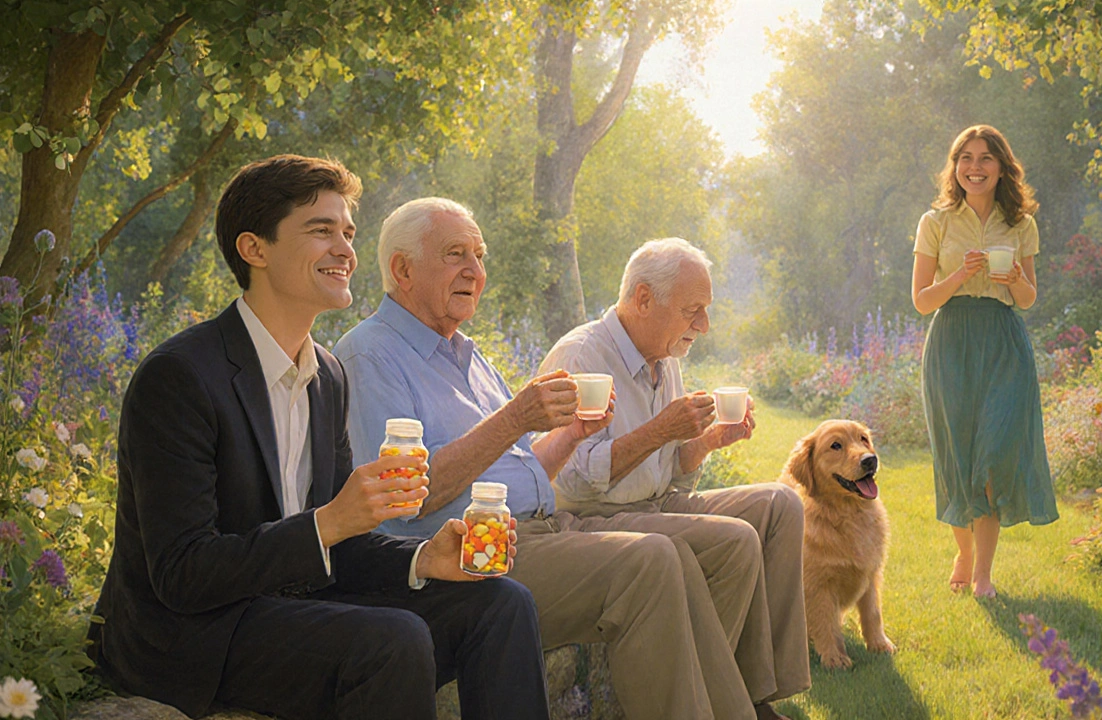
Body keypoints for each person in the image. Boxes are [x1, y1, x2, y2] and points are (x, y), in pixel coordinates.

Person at [90, 156, 550, 720]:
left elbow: (344, 544)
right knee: (393, 641)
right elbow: (183, 574)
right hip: (194, 632)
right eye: (320, 230)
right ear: (254, 249)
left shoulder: (326, 374)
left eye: (348, 233)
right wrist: (331, 522)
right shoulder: (181, 377)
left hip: (296, 605)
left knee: (500, 603)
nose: (345, 251)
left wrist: (424, 558)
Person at [335, 198, 765, 720]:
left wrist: (573, 433)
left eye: (479, 254)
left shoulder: (467, 356)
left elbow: (521, 470)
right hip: (470, 553)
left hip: (539, 529)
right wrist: (515, 418)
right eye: (455, 254)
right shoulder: (369, 355)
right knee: (649, 561)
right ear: (403, 269)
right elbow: (403, 501)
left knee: (671, 555)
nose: (476, 270)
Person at [539, 238, 810, 720]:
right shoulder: (581, 357)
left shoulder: (666, 358)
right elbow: (575, 483)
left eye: (704, 311)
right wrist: (660, 430)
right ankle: (718, 702)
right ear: (643, 299)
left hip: (653, 504)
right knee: (733, 541)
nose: (702, 326)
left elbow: (667, 474)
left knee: (778, 506)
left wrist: (706, 442)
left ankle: (754, 693)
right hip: (590, 518)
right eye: (692, 311)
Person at [910, 124, 1059, 599]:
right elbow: (921, 301)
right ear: (955, 167)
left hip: (1002, 343)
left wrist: (1014, 277)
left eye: (985, 158)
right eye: (966, 158)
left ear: (1001, 167)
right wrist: (959, 275)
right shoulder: (935, 222)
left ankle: (983, 577)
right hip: (951, 341)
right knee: (957, 459)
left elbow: (1029, 299)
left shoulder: (1021, 224)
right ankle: (965, 551)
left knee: (992, 460)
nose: (975, 167)